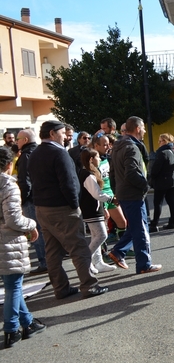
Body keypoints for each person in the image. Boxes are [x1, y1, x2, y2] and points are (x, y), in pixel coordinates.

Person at [27, 120, 108, 299]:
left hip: (42, 208)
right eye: (63, 133)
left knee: (53, 251)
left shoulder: (35, 154)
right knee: (78, 247)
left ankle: (61, 287)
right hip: (62, 208)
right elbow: (69, 183)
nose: (66, 137)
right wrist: (75, 206)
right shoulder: (59, 154)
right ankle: (89, 285)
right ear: (52, 134)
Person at [0, 146, 46, 348]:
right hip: (8, 240)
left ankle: (27, 323)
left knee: (12, 285)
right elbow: (14, 219)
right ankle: (11, 329)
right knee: (13, 285)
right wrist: (32, 224)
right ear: (9, 165)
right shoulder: (8, 185)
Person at [107, 117, 162, 275]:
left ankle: (118, 251)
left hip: (125, 193)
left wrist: (116, 190)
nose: (145, 130)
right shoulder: (131, 147)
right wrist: (144, 186)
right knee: (141, 229)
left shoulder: (118, 146)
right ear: (138, 128)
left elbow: (112, 173)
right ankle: (144, 264)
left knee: (136, 226)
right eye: (143, 127)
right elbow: (132, 172)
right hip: (133, 193)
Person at [78, 149, 117, 274]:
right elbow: (97, 194)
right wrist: (110, 198)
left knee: (96, 236)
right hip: (91, 210)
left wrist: (104, 207)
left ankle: (98, 262)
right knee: (102, 235)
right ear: (91, 159)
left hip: (95, 208)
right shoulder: (87, 175)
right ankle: (86, 260)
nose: (100, 159)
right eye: (98, 157)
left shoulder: (90, 173)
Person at [14, 129, 47, 274]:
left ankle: (44, 262)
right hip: (44, 196)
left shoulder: (26, 155)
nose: (16, 141)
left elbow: (25, 181)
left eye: (18, 138)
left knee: (36, 230)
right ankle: (50, 260)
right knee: (44, 229)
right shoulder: (41, 152)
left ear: (25, 140)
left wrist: (22, 199)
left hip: (32, 199)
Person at [91, 132, 127, 247]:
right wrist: (103, 204)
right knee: (102, 229)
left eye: (108, 144)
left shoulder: (108, 158)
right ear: (96, 146)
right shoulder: (94, 161)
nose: (108, 147)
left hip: (111, 194)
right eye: (105, 145)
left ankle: (122, 249)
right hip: (100, 196)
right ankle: (102, 253)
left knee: (122, 222)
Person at [149, 133, 174, 230]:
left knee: (158, 203)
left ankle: (154, 224)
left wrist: (151, 178)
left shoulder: (162, 153)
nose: (159, 143)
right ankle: (173, 221)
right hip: (172, 180)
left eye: (161, 140)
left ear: (165, 141)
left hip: (161, 181)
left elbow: (155, 169)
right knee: (171, 201)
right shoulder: (173, 151)